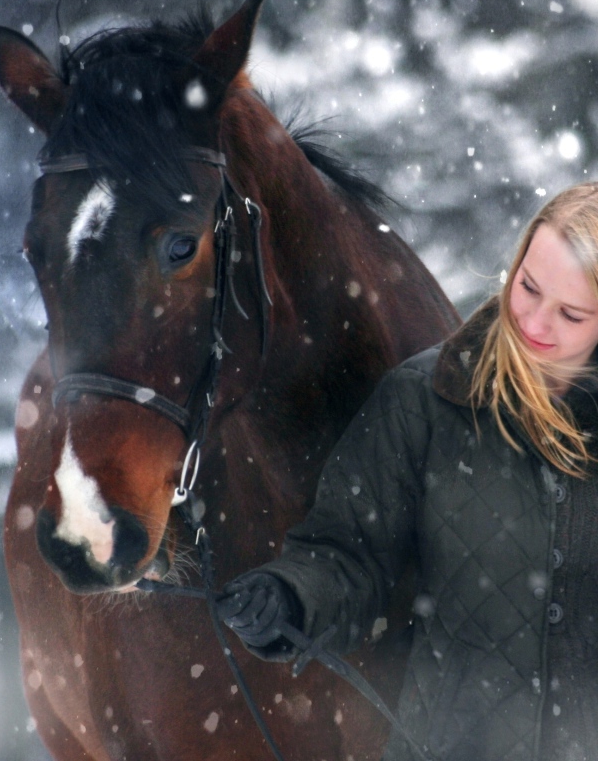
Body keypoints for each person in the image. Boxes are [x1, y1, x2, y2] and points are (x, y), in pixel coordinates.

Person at [217, 182, 598, 761]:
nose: (535, 324)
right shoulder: (424, 400)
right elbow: (349, 555)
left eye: (571, 313)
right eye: (528, 287)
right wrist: (290, 596)